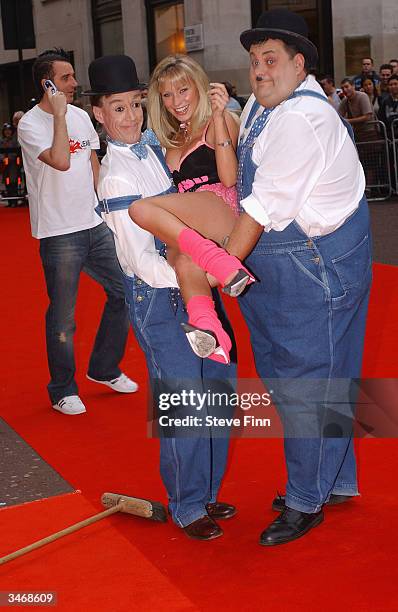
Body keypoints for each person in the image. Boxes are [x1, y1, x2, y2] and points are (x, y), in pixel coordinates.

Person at [222, 7, 371, 546]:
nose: (258, 71)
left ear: (298, 62)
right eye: (254, 61)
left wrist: (215, 273)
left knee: (305, 384)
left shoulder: (302, 119)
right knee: (325, 379)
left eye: (270, 60)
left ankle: (306, 500)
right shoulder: (271, 107)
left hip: (314, 270)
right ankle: (336, 480)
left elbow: (259, 208)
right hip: (307, 260)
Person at [85, 53, 237, 540]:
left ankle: (207, 491)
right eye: (118, 108)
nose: (130, 117)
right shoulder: (116, 176)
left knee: (218, 390)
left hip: (191, 287)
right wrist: (204, 277)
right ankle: (187, 504)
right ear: (99, 115)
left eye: (134, 105)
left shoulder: (151, 150)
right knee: (186, 403)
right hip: (159, 298)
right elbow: (142, 263)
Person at [17, 48, 137, 416]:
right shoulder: (30, 125)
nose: (74, 83)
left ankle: (103, 367)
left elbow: (92, 162)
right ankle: (62, 389)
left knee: (126, 290)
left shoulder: (83, 116)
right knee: (63, 315)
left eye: (72, 77)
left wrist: (108, 209)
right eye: (66, 77)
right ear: (47, 82)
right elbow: (62, 159)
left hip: (94, 223)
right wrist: (57, 116)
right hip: (59, 231)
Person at [129, 54, 252, 365]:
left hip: (218, 207)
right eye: (167, 94)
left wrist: (221, 115)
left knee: (139, 210)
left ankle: (222, 265)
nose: (175, 101)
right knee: (183, 264)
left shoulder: (217, 122)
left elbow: (227, 178)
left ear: (198, 87)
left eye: (183, 90)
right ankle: (212, 333)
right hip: (188, 225)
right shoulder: (171, 137)